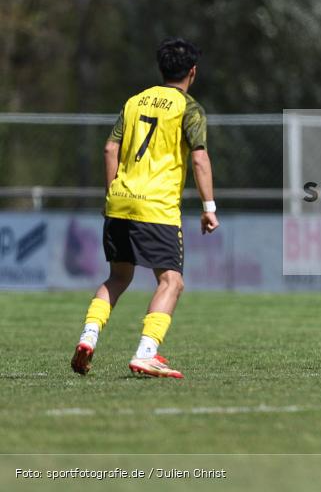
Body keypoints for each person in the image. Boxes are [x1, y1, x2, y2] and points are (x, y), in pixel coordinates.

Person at [70, 37, 219, 379]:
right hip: (157, 206)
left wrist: (113, 194)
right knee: (172, 282)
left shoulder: (134, 102)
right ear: (192, 72)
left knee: (118, 277)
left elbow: (110, 150)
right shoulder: (190, 108)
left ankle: (88, 337)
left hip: (120, 201)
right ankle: (146, 352)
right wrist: (209, 206)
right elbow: (199, 157)